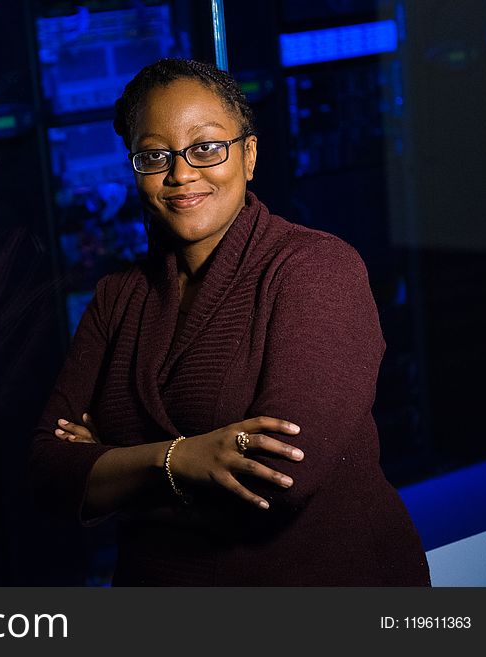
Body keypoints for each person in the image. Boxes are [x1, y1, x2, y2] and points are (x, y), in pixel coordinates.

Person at [27, 58, 430, 586]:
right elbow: (46, 474)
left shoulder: (316, 270)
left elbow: (283, 478)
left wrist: (111, 465)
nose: (181, 173)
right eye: (154, 156)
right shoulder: (116, 298)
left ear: (249, 155)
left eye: (206, 147)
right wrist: (185, 458)